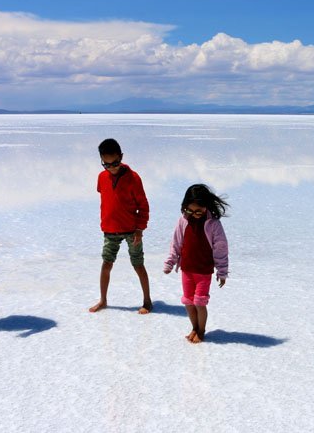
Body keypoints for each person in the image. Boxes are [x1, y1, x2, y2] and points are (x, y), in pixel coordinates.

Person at [89, 138, 152, 314]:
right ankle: (103, 300)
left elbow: (143, 206)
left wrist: (140, 229)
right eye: (106, 164)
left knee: (138, 265)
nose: (112, 167)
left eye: (115, 163)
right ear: (101, 160)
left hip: (132, 230)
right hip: (109, 230)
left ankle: (147, 301)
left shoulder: (133, 178)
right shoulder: (102, 178)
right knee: (106, 264)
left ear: (121, 157)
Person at [163, 184, 229, 343]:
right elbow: (176, 243)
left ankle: (201, 330)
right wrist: (170, 262)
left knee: (200, 302)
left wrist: (222, 271)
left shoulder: (213, 225)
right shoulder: (183, 221)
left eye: (198, 211)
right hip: (186, 270)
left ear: (206, 207)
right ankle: (194, 327)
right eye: (189, 210)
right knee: (188, 302)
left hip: (203, 271)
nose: (194, 214)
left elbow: (221, 249)